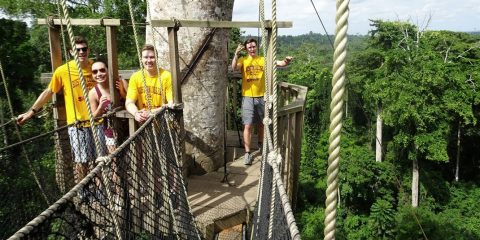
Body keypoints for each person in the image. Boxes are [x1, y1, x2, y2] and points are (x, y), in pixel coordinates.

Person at [16, 36, 106, 195]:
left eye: (84, 49)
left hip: (98, 121)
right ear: (71, 52)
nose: (81, 52)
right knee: (81, 161)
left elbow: (111, 81)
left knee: (99, 159)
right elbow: (49, 92)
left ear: (88, 50)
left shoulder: (95, 68)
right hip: (77, 124)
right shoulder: (63, 71)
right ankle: (83, 191)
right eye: (77, 49)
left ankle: (100, 191)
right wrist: (32, 111)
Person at [231, 38, 292, 165]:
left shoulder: (263, 59)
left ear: (256, 47)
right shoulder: (243, 60)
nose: (252, 49)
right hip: (247, 97)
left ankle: (261, 145)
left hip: (261, 97)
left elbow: (280, 64)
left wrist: (286, 61)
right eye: (249, 47)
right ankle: (248, 153)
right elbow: (234, 68)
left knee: (261, 124)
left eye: (253, 47)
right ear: (246, 49)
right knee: (248, 125)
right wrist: (236, 54)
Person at [125, 44, 173, 122]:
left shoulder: (167, 76)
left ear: (157, 58)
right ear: (141, 59)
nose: (149, 60)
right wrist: (136, 113)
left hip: (164, 121)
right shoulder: (135, 77)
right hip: (144, 124)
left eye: (152, 57)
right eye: (146, 57)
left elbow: (171, 104)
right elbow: (129, 102)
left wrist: (150, 112)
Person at [88, 60, 127, 153]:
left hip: (129, 127)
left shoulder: (121, 83)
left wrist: (122, 93)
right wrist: (100, 107)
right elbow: (93, 117)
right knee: (114, 160)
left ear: (108, 70)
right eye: (95, 72)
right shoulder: (93, 93)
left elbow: (132, 103)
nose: (99, 74)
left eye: (102, 70)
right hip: (110, 132)